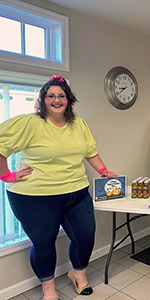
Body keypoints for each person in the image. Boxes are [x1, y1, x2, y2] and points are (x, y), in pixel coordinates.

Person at [0, 75, 116, 300]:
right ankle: (48, 289)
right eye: (50, 95)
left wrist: (104, 172)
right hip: (35, 197)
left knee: (85, 236)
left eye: (61, 95)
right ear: (42, 99)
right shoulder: (29, 123)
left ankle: (78, 275)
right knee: (43, 243)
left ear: (68, 99)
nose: (56, 100)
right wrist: (6, 175)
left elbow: (89, 151)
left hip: (76, 193)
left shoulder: (78, 124)